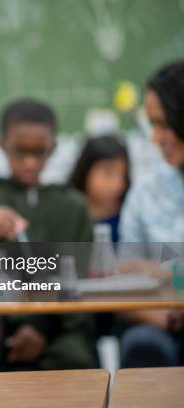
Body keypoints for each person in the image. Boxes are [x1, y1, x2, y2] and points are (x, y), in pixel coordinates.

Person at [0, 98, 97, 371]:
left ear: (53, 148)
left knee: (76, 359)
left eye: (39, 152)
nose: (29, 162)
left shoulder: (72, 206)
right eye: (19, 152)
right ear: (1, 144)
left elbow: (84, 284)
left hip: (60, 333)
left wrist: (41, 329)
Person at [118, 60, 184, 367]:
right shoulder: (145, 193)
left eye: (163, 123)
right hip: (165, 325)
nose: (154, 138)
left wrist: (165, 271)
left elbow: (154, 269)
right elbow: (124, 282)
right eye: (151, 124)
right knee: (142, 345)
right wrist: (164, 318)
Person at [69, 135, 130, 243]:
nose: (117, 184)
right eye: (108, 173)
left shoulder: (129, 214)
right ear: (86, 170)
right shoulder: (67, 211)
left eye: (123, 175)